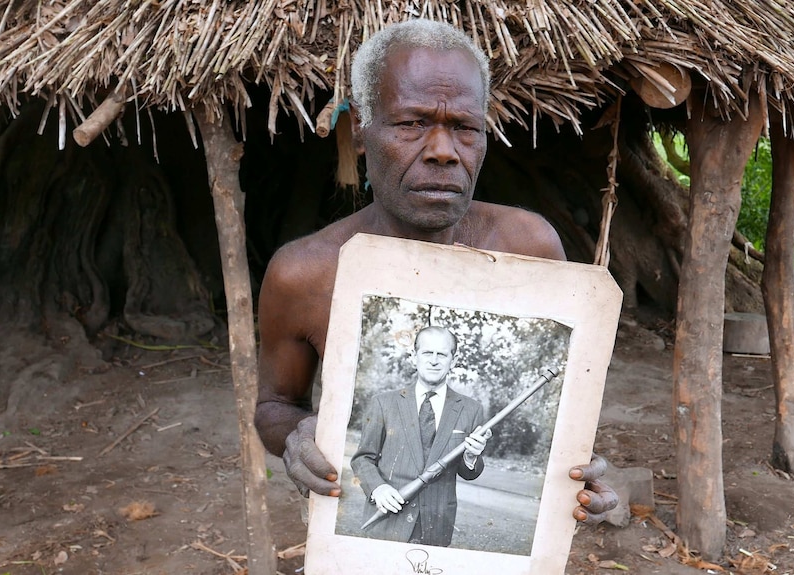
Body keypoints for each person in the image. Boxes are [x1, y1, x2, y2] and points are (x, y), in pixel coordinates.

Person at [254, 18, 618, 525]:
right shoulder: (305, 273)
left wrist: (578, 471)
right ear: (360, 129)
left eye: (465, 128)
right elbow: (275, 405)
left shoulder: (529, 249)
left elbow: (561, 414)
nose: (444, 151)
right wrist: (296, 438)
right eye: (411, 124)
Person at [351, 326, 491, 546]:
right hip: (387, 519)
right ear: (414, 357)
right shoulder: (383, 403)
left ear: (452, 361)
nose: (434, 360)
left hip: (436, 527)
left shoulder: (471, 409)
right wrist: (378, 488)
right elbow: (362, 458)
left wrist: (472, 457)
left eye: (442, 354)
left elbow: (469, 472)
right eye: (427, 353)